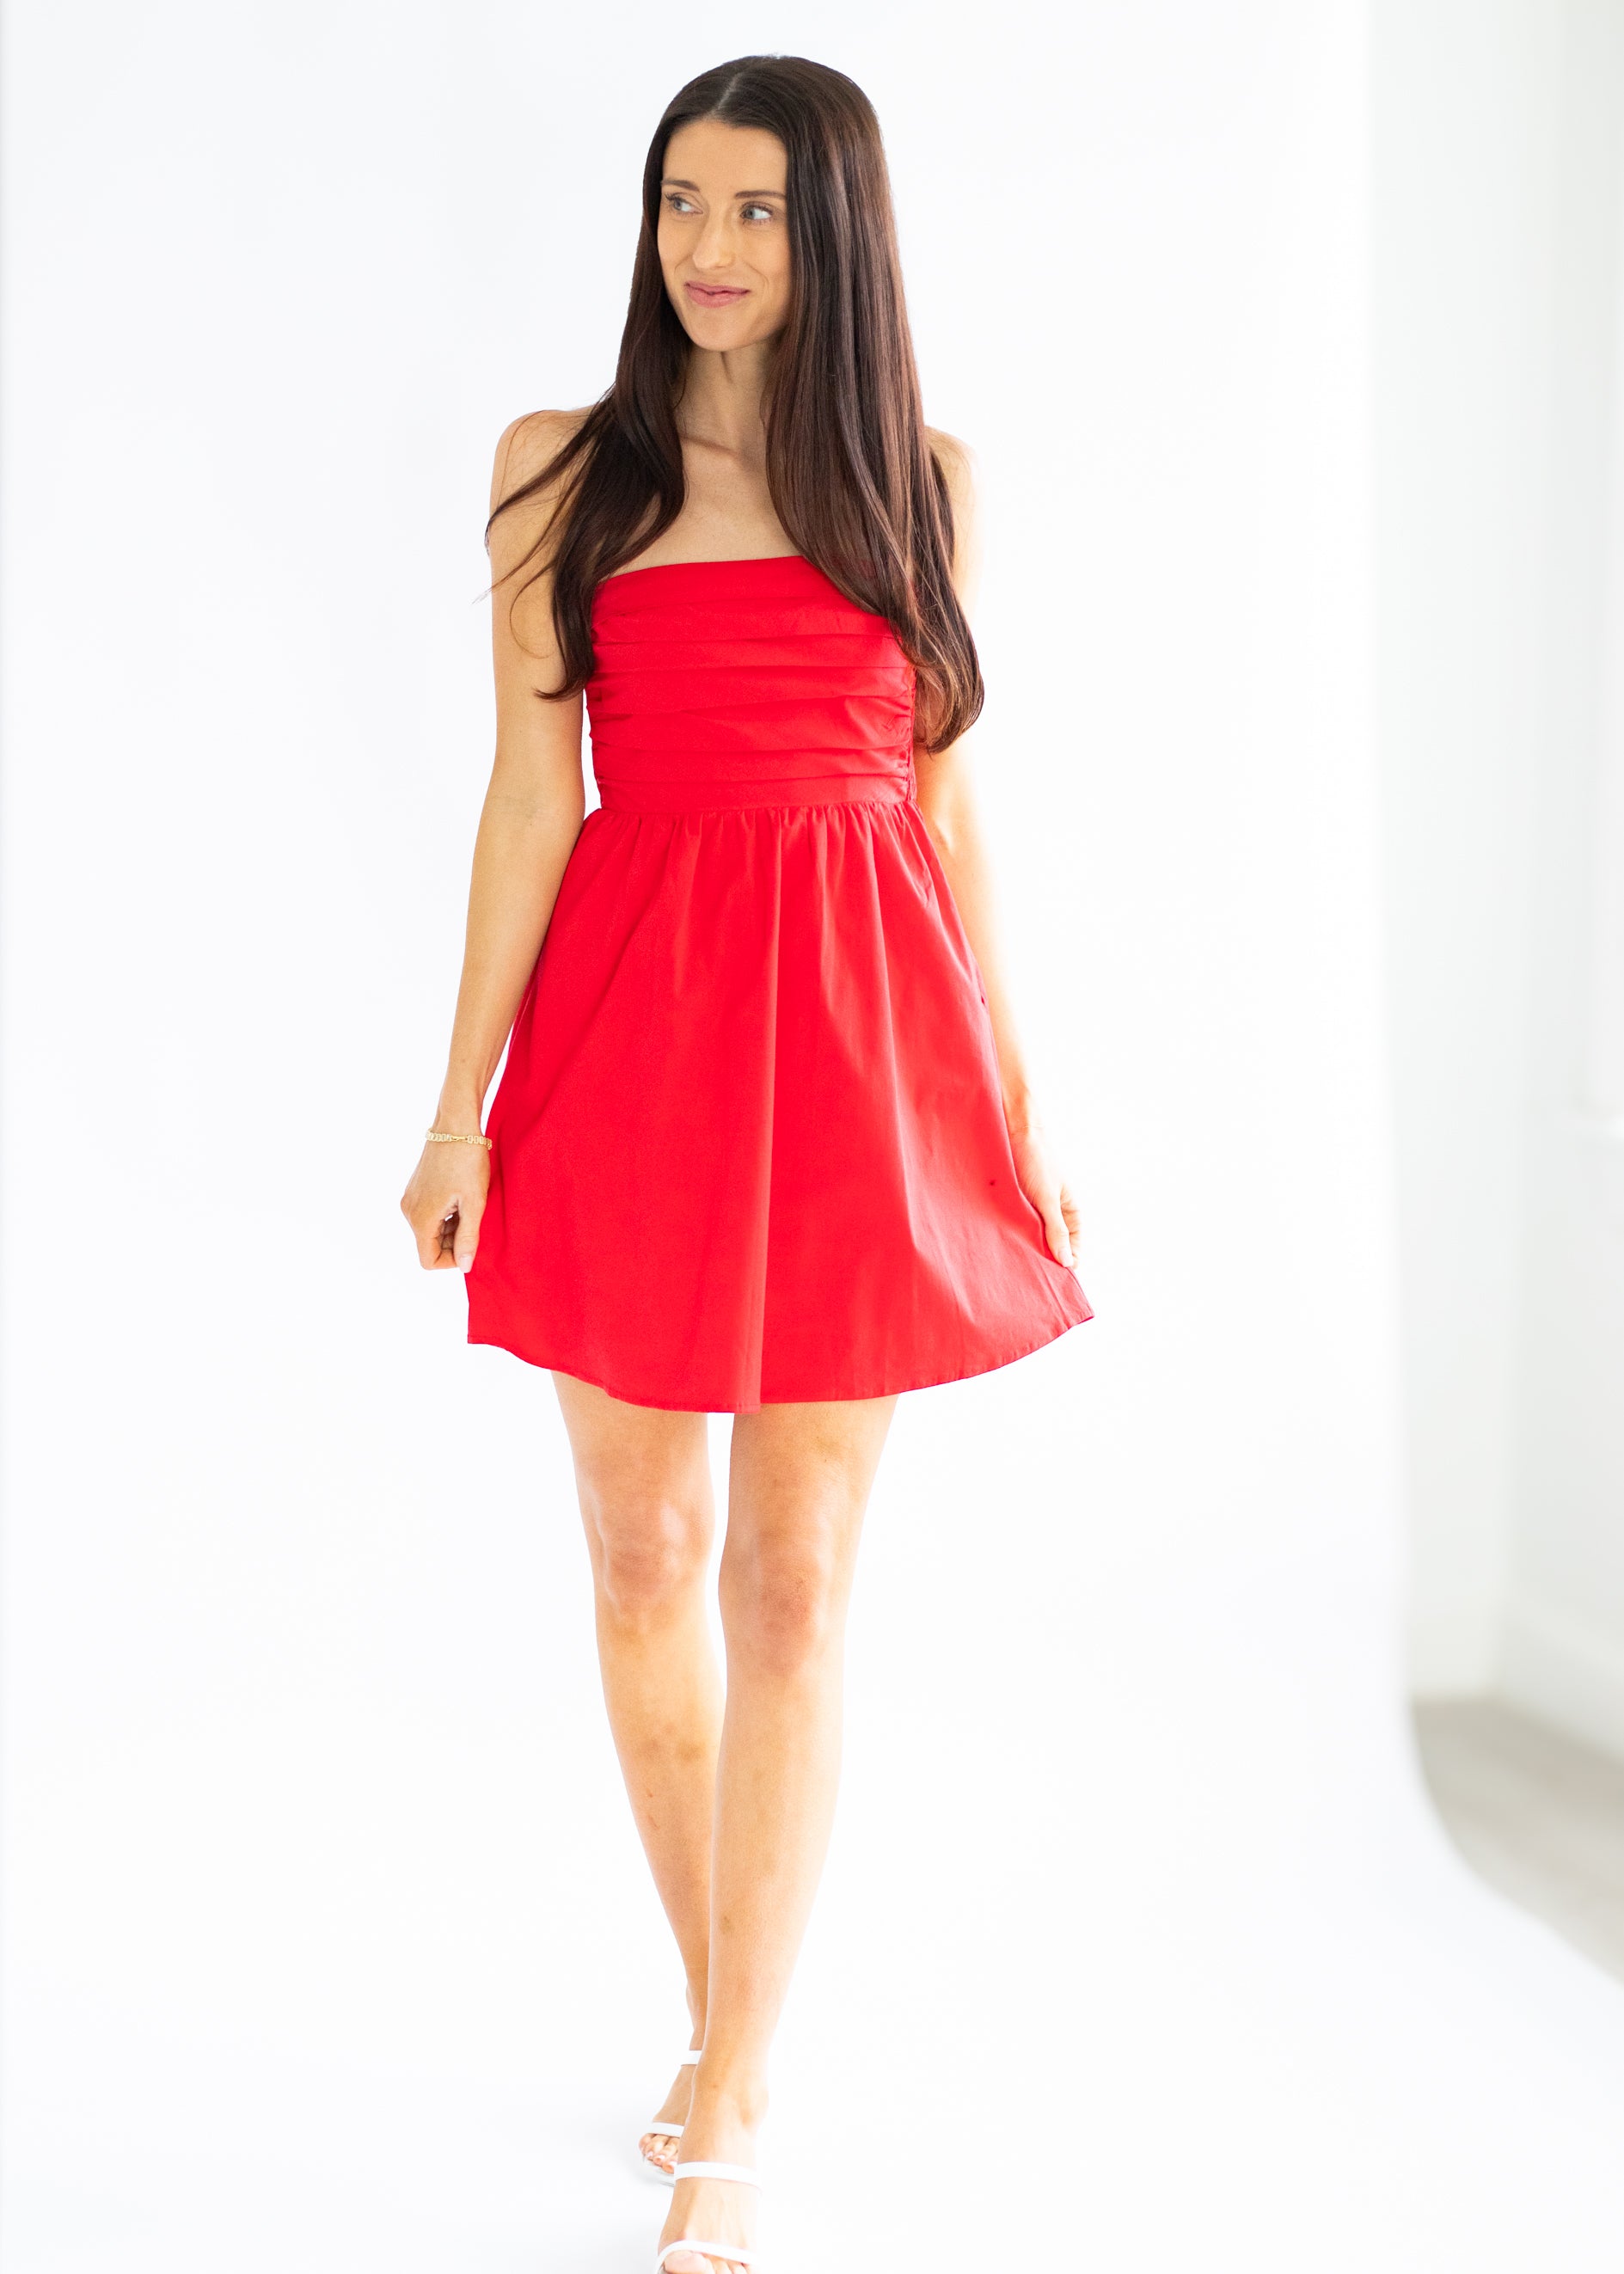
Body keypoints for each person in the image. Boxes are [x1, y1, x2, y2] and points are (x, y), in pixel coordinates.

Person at [400, 52, 1091, 2273]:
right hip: (630, 1032)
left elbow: (948, 804)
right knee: (640, 1556)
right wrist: (452, 1109)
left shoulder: (926, 487)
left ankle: (736, 2098)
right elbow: (526, 805)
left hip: (866, 1040)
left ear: (840, 240)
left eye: (758, 213)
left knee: (792, 1584)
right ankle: (722, 2030)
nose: (704, 247)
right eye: (679, 200)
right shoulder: (556, 474)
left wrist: (1022, 1106)